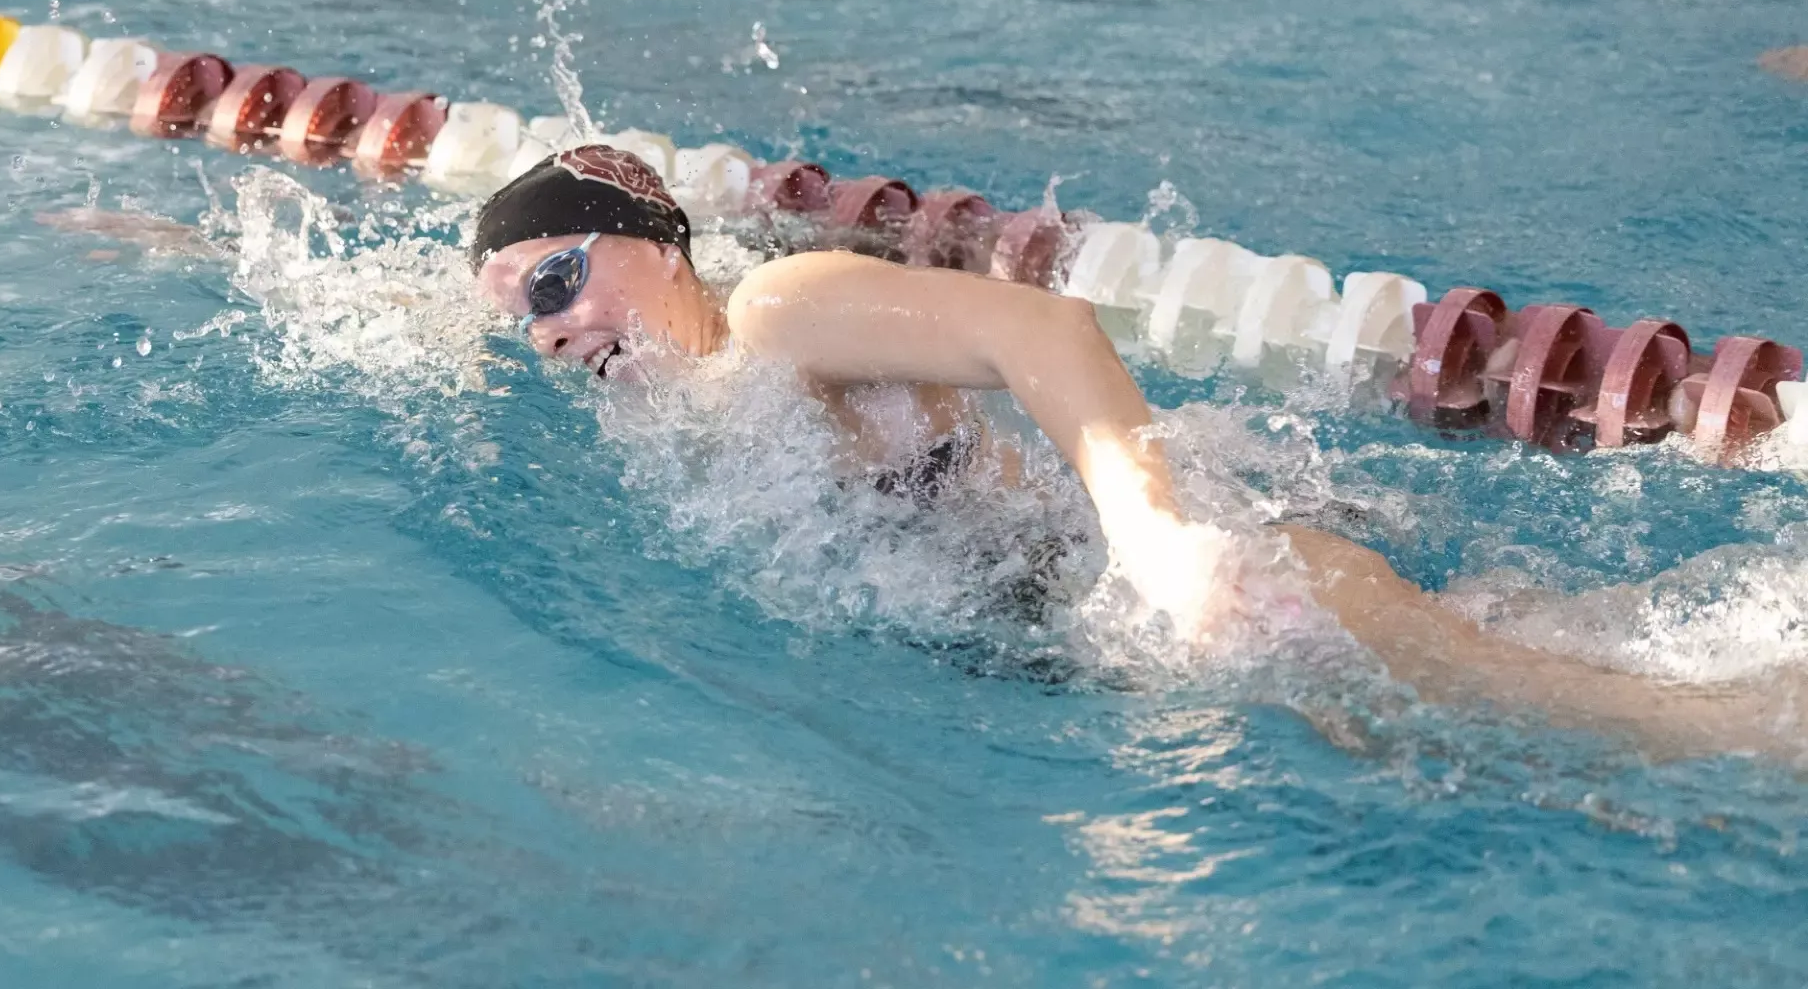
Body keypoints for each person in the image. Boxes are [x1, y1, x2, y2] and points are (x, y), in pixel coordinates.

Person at [474, 145, 1808, 766]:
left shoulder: (778, 309)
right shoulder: (694, 396)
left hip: (1212, 578)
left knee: (1673, 732)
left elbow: (1041, 325)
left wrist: (1160, 542)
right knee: (1595, 660)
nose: (548, 332)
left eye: (556, 285)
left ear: (652, 240)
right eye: (515, 318)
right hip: (1099, 624)